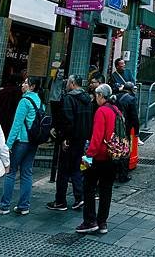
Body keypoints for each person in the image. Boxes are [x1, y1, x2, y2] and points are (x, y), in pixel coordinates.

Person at [0, 77, 43, 216]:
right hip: (33, 142)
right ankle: (24, 206)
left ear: (32, 86)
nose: (23, 85)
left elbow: (17, 124)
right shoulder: (39, 101)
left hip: (21, 141)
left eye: (26, 83)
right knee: (27, 172)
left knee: (11, 172)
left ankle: (4, 205)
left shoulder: (24, 101)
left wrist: (7, 145)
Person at [75, 84, 119, 234]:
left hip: (99, 156)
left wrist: (88, 155)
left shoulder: (102, 111)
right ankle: (102, 223)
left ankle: (90, 221)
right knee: (106, 190)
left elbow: (97, 137)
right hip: (113, 156)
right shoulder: (116, 110)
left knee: (89, 187)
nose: (95, 98)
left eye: (96, 95)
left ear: (101, 96)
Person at [46, 74, 93, 211]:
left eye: (68, 82)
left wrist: (64, 138)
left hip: (70, 139)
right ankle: (79, 197)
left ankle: (60, 201)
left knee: (63, 171)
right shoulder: (87, 100)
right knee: (77, 168)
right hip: (82, 139)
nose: (66, 84)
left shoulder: (69, 99)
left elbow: (67, 120)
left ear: (72, 83)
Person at [116, 82, 140, 182]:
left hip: (115, 128)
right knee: (125, 152)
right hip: (126, 128)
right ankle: (123, 175)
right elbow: (134, 116)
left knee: (115, 149)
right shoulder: (131, 99)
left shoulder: (116, 96)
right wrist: (137, 131)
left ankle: (115, 172)